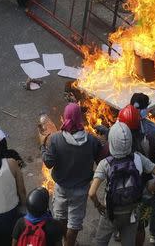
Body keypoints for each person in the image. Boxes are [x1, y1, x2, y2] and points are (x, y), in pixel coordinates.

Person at [89, 122, 155, 246]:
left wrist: (99, 206)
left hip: (111, 213)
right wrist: (148, 190)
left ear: (112, 142)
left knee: (100, 241)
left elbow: (92, 193)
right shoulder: (138, 158)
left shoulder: (105, 163)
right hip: (132, 213)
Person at [41, 103, 103, 246]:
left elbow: (49, 163)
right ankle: (70, 243)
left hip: (61, 187)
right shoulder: (92, 140)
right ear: (79, 118)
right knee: (74, 222)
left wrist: (42, 147)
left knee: (60, 217)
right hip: (81, 190)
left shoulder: (56, 139)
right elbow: (100, 159)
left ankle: (65, 241)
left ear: (66, 118)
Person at [118, 103, 155, 246]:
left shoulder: (116, 140)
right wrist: (149, 190)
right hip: (144, 186)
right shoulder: (149, 140)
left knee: (123, 214)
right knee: (145, 217)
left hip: (123, 188)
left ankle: (120, 233)